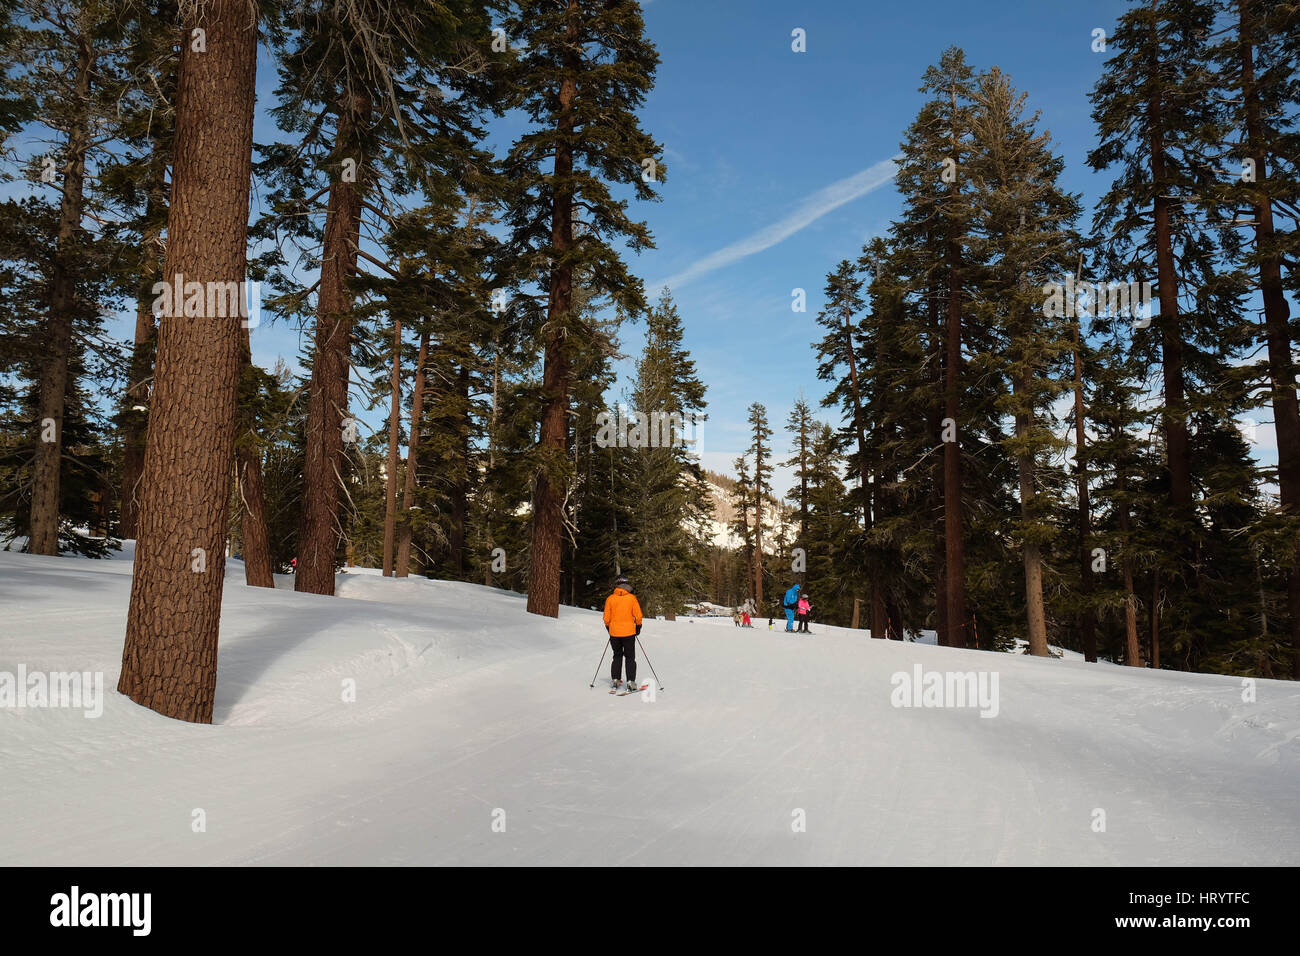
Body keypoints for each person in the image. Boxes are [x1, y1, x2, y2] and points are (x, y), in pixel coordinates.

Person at [603, 575, 643, 691]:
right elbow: (638, 615)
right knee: (630, 657)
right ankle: (630, 681)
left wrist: (609, 628)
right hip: (629, 633)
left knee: (617, 656)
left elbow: (606, 618)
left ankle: (615, 679)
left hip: (614, 633)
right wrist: (638, 627)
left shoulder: (610, 598)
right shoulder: (631, 598)